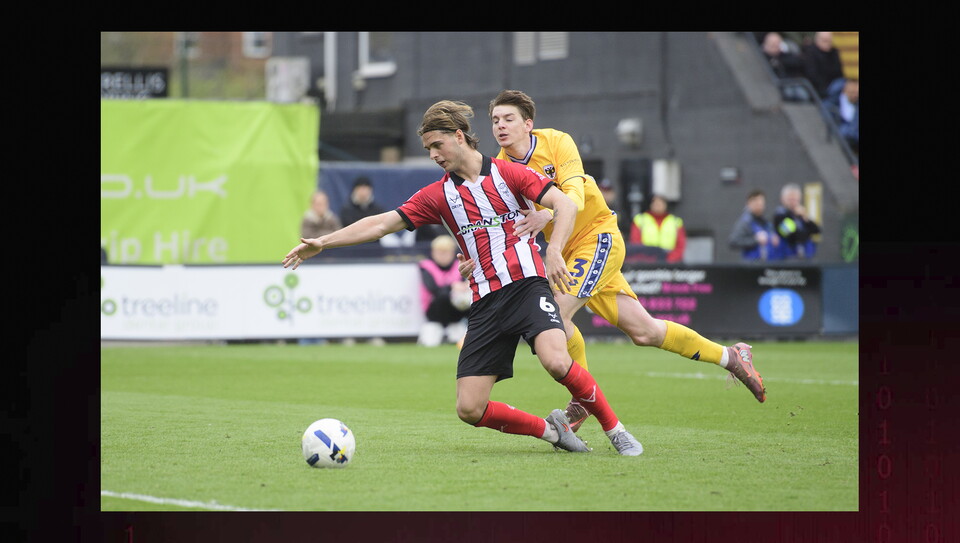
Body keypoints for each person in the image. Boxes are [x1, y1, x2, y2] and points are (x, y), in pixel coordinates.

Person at [283, 99, 643, 456]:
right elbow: (380, 223)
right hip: (486, 301)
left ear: (459, 137)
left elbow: (564, 204)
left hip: (527, 287)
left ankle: (616, 430)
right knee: (469, 409)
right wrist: (324, 242)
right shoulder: (438, 195)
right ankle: (552, 432)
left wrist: (553, 251)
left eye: (436, 145)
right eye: (427, 149)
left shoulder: (510, 173)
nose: (433, 155)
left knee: (556, 360)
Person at [466, 90, 765, 434]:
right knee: (645, 332)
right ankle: (731, 356)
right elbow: (501, 223)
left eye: (508, 119)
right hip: (568, 252)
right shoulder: (500, 168)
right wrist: (474, 257)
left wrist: (546, 216)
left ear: (528, 124)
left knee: (556, 313)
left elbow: (574, 196)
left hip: (598, 236)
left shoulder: (557, 142)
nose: (500, 126)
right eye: (495, 121)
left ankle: (581, 401)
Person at [417, 235, 471, 348]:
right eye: (439, 252)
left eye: (446, 252)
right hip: (434, 312)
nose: (443, 256)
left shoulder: (458, 266)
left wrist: (465, 286)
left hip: (455, 313)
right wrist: (452, 286)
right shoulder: (426, 266)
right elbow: (433, 289)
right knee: (443, 297)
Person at [628, 194, 686, 263]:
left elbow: (680, 245)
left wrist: (670, 259)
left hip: (669, 260)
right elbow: (635, 242)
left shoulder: (675, 222)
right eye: (655, 203)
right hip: (646, 260)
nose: (658, 206)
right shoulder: (640, 220)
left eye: (660, 203)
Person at [728, 189, 781, 261]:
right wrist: (755, 240)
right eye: (756, 203)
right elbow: (733, 241)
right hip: (752, 266)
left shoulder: (765, 222)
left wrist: (773, 238)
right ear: (749, 203)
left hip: (768, 264)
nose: (759, 206)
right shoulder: (745, 222)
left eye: (761, 204)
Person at [772, 183, 821, 259]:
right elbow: (789, 235)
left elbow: (817, 230)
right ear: (783, 199)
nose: (793, 202)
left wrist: (805, 218)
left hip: (804, 258)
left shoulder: (801, 215)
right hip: (786, 258)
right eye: (790, 199)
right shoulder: (780, 214)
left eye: (795, 199)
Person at [759, 32, 811, 102]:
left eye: (777, 44)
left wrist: (780, 61)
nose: (775, 46)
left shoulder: (785, 55)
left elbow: (798, 62)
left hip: (792, 82)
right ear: (766, 44)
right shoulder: (761, 56)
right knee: (788, 93)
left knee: (803, 95)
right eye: (772, 44)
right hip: (776, 84)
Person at [802, 32, 845, 100]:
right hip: (820, 88)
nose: (827, 44)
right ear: (817, 40)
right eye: (824, 41)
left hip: (834, 84)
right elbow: (812, 75)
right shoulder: (810, 53)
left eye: (829, 41)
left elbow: (839, 72)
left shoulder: (834, 52)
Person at [823, 77, 859, 156]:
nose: (855, 96)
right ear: (844, 90)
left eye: (857, 94)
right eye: (852, 93)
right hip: (836, 147)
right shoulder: (830, 106)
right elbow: (827, 125)